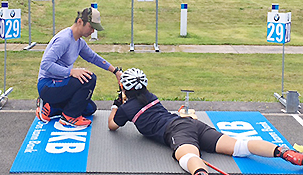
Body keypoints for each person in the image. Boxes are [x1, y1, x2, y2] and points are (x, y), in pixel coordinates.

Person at [108, 68, 303, 175]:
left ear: (125, 89)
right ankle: (284, 152)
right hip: (192, 124)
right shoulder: (151, 96)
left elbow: (112, 125)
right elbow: (138, 97)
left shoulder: (126, 109)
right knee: (239, 146)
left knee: (186, 157)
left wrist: (116, 104)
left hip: (176, 131)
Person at [36, 7, 122, 127]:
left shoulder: (79, 42)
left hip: (60, 85)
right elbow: (45, 64)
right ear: (80, 22)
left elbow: (93, 57)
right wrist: (70, 72)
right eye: (91, 27)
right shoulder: (64, 39)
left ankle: (50, 107)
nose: (92, 31)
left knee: (89, 108)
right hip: (47, 85)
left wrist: (115, 71)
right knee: (90, 78)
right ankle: (69, 117)